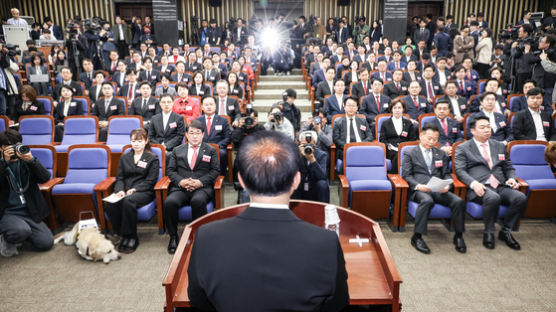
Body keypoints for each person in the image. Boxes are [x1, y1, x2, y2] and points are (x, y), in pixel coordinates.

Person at [187, 130, 349, 311]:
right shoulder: (326, 242)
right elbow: (338, 304)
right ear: (296, 180)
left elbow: (197, 300)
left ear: (242, 180)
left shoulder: (206, 237)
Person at [455, 116, 528, 250]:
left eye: (488, 126)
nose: (487, 130)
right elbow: (460, 171)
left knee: (520, 197)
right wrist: (473, 183)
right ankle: (488, 232)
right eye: (482, 127)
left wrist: (512, 178)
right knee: (493, 197)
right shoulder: (463, 148)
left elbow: (508, 167)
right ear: (473, 131)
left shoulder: (498, 145)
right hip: (480, 186)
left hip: (500, 185)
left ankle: (506, 231)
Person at [401, 124, 466, 254]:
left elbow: (447, 173)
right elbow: (406, 175)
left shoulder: (440, 153)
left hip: (438, 189)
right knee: (427, 201)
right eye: (429, 138)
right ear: (421, 136)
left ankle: (458, 236)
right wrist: (419, 186)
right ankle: (417, 237)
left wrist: (447, 185)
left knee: (458, 201)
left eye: (435, 139)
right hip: (420, 189)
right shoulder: (410, 153)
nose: (432, 142)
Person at [163, 119, 220, 254]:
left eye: (198, 133)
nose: (194, 136)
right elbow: (170, 171)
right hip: (181, 187)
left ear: (203, 135)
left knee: (198, 201)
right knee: (169, 202)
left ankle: (198, 236)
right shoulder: (177, 150)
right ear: (186, 135)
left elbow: (215, 171)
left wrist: (200, 182)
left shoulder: (210, 150)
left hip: (202, 187)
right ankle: (173, 237)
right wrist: (181, 182)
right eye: (191, 133)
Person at [0, 129, 53, 257]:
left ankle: (22, 233)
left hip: (29, 211)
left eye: (16, 145)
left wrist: (32, 161)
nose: (13, 149)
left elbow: (45, 178)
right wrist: (3, 163)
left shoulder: (26, 162)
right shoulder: (1, 165)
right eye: (8, 146)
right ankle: (7, 236)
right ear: (1, 148)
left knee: (46, 243)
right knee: (20, 230)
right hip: (7, 213)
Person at [104, 128, 158, 253]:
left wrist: (135, 189)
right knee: (111, 204)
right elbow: (120, 178)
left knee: (128, 202)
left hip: (144, 192)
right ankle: (123, 235)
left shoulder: (152, 158)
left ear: (146, 141)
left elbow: (151, 180)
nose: (136, 144)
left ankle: (132, 236)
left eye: (139, 141)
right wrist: (120, 190)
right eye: (134, 141)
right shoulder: (125, 157)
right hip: (125, 191)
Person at [195, 96, 232, 175]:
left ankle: (220, 176)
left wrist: (217, 146)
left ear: (215, 106)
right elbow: (195, 136)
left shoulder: (223, 120)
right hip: (202, 146)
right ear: (202, 107)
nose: (209, 107)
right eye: (206, 105)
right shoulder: (197, 121)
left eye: (211, 104)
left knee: (222, 153)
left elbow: (227, 137)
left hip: (218, 147)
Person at [379, 99, 418, 173]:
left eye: (399, 108)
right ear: (391, 109)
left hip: (405, 148)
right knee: (396, 155)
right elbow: (382, 139)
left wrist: (406, 147)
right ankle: (397, 177)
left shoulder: (408, 123)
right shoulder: (385, 123)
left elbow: (412, 139)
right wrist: (388, 145)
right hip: (391, 149)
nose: (397, 110)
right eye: (395, 108)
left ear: (403, 109)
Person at [291, 130, 329, 203]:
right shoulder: (295, 154)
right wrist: (299, 156)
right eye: (304, 145)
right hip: (300, 183)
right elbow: (290, 172)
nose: (307, 147)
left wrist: (312, 160)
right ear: (299, 144)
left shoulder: (322, 155)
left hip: (314, 183)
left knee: (323, 184)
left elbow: (322, 176)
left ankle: (323, 209)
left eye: (309, 145)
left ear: (315, 144)